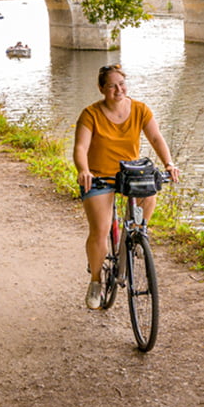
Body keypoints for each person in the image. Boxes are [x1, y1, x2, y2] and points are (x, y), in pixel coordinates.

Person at [72, 64, 180, 309]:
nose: (118, 90)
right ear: (102, 88)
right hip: (99, 176)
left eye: (121, 84)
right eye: (111, 85)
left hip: (129, 174)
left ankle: (139, 233)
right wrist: (84, 170)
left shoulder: (140, 109)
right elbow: (81, 147)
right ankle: (96, 282)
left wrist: (169, 163)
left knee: (150, 189)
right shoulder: (90, 114)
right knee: (99, 229)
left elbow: (155, 138)